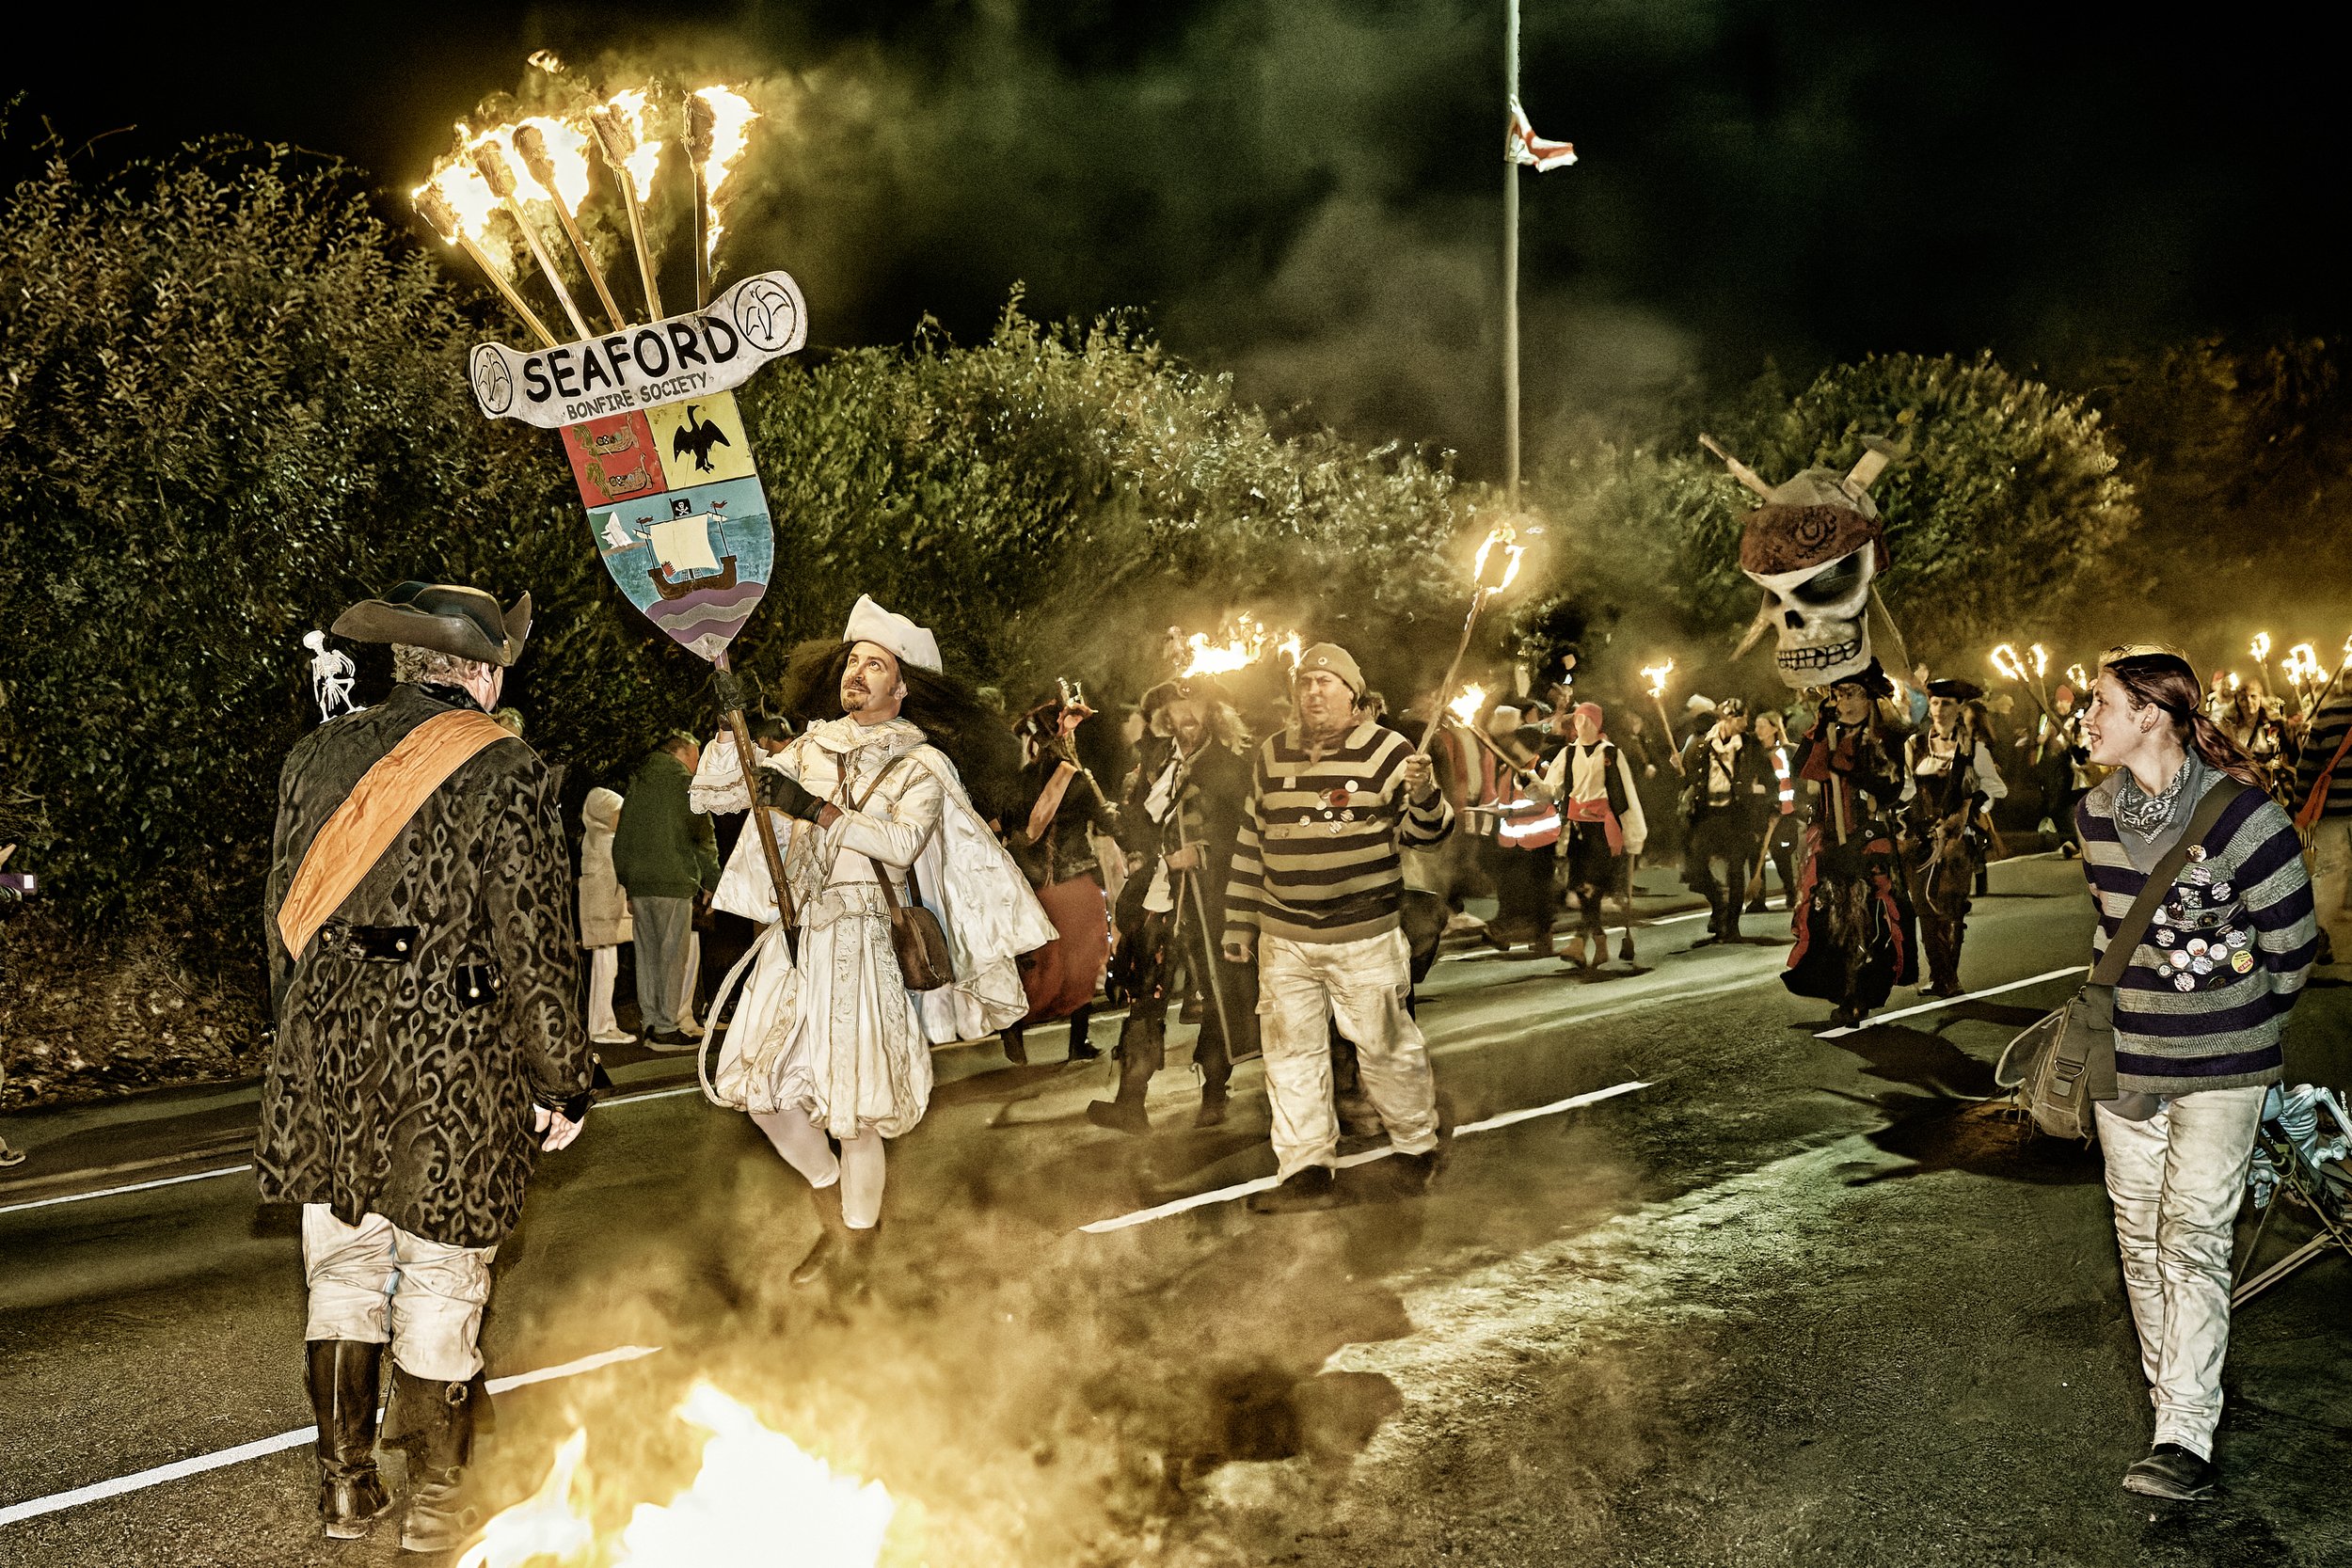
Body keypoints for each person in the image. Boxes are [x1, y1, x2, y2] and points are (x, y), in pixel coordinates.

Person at [257, 582, 592, 1550]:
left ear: (405, 663)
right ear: (483, 672)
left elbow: (279, 914)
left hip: (327, 1040)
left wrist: (296, 1032)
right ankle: (437, 1503)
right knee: (441, 1272)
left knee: (345, 1264)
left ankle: (346, 1489)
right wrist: (557, 1072)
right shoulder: (505, 765)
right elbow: (533, 934)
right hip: (449, 1047)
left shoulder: (312, 755)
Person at [701, 596, 1053, 1292]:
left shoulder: (923, 765)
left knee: (856, 1110)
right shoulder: (810, 746)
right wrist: (725, 730)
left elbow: (898, 843)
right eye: (853, 660)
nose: (857, 672)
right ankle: (834, 1205)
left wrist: (816, 809)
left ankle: (858, 1247)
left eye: (875, 664)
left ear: (902, 686)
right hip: (795, 936)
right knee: (761, 1089)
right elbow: (712, 795)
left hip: (864, 941)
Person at [2077, 647, 2314, 1501]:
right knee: (2139, 1240)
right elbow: (2108, 934)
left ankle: (2184, 1434)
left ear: (2151, 714)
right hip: (2127, 1060)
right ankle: (2176, 1406)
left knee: (2194, 1239)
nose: (2086, 716)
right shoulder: (2093, 812)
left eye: (2100, 702)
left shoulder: (2248, 819)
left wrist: (2244, 1023)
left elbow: (2292, 945)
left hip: (2226, 1064)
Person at [1223, 641, 1453, 1212]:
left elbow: (1430, 834)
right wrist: (1239, 921)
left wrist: (1423, 793)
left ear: (1353, 693)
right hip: (1284, 936)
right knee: (1290, 1055)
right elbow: (1254, 839)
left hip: (1364, 933)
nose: (1313, 692)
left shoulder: (1389, 752)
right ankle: (1304, 1169)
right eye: (1305, 682)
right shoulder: (1271, 755)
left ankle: (1416, 1146)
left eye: (1327, 682)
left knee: (1385, 1047)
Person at [1091, 674, 1254, 1132]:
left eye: (1197, 706)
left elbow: (1247, 832)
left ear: (1214, 713)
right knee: (1145, 995)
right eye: (1178, 711)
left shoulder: (1231, 765)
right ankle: (1131, 1101)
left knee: (1217, 996)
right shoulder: (1159, 763)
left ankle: (1215, 1095)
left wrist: (1201, 854)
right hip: (1163, 898)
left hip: (1210, 900)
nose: (1186, 717)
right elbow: (1141, 822)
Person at [1782, 662, 1915, 1026]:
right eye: (1839, 694)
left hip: (1867, 840)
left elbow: (1888, 786)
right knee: (1829, 919)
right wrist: (1819, 735)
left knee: (1869, 921)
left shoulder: (1885, 737)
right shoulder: (1829, 732)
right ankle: (1843, 991)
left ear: (1870, 698)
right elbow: (1801, 769)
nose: (1846, 703)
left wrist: (1847, 761)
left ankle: (1860, 994)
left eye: (1853, 694)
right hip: (1830, 840)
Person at [1002, 693, 1121, 1065]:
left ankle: (1014, 1029)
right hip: (1073, 884)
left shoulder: (1016, 783)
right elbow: (1107, 821)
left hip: (1029, 886)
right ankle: (1077, 1043)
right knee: (1083, 963)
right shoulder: (1076, 777)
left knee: (1039, 966)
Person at [1898, 679, 2007, 996]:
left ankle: (1948, 976)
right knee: (1923, 906)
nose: (1940, 710)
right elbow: (1904, 789)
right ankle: (1940, 974)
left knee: (1949, 907)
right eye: (1935, 703)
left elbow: (1997, 787)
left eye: (1947, 703)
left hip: (1958, 839)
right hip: (1920, 838)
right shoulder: (1914, 745)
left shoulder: (1973, 748)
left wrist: (1970, 807)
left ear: (1959, 708)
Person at [611, 733, 718, 1048]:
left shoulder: (639, 784)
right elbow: (702, 836)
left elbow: (623, 838)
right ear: (681, 754)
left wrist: (628, 882)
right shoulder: (684, 785)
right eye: (695, 756)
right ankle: (668, 1027)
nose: (697, 764)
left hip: (641, 884)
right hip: (673, 880)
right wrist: (711, 880)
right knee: (673, 957)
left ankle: (653, 1022)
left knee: (648, 957)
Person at [1535, 702, 1646, 971]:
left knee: (1591, 888)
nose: (1580, 724)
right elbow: (1551, 787)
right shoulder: (1568, 754)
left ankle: (1580, 942)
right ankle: (1597, 944)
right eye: (1579, 720)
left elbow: (1626, 794)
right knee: (1583, 891)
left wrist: (1634, 833)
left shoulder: (1610, 754)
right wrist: (1530, 781)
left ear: (1596, 723)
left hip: (1603, 830)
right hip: (1578, 830)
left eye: (1586, 720)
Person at [1678, 698, 1771, 944]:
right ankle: (1718, 904)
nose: (1746, 723)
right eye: (1742, 719)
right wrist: (1680, 767)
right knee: (1696, 869)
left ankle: (1732, 926)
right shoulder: (1700, 745)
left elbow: (1768, 777)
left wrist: (1762, 799)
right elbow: (1688, 779)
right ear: (1727, 719)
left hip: (1736, 814)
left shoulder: (1749, 746)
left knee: (1735, 870)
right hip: (1707, 815)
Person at [1486, 707, 1561, 953]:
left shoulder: (1539, 770)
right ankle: (1506, 928)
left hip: (1539, 838)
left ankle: (1543, 935)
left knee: (1540, 889)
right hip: (1513, 838)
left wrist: (1508, 813)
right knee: (1509, 886)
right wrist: (1494, 808)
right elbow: (1505, 797)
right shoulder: (1508, 767)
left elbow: (1541, 804)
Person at [2291, 678, 2352, 972]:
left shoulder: (2327, 715)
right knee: (2333, 876)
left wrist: (2300, 805)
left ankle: (2327, 940)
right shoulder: (2328, 715)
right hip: (2334, 813)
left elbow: (2309, 765)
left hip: (2332, 812)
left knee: (2330, 875)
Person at [578, 786, 635, 1046]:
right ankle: (601, 1025)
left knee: (607, 968)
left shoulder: (603, 840)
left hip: (607, 914)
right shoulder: (601, 842)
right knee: (604, 968)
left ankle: (604, 1022)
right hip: (602, 915)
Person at [1745, 709, 1803, 914]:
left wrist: (1778, 806)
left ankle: (1791, 892)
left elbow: (1787, 782)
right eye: (1756, 725)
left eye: (1762, 725)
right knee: (1756, 852)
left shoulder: (1784, 753)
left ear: (1775, 728)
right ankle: (1758, 899)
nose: (1757, 730)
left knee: (1780, 854)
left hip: (1781, 813)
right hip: (1757, 811)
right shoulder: (1753, 753)